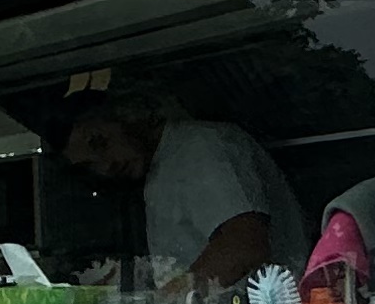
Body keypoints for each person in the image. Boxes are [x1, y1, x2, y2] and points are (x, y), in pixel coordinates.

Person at [61, 93, 306, 293]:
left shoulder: (202, 147)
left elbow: (243, 245)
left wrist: (166, 300)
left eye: (100, 142)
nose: (105, 166)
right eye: (89, 165)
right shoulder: (158, 167)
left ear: (127, 114)